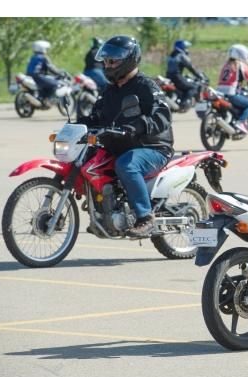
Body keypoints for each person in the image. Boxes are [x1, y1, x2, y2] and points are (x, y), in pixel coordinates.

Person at [77, 35, 174, 238]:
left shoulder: (146, 86)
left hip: (153, 147)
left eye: (113, 60)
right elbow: (96, 118)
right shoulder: (109, 91)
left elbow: (162, 116)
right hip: (120, 146)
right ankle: (105, 213)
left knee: (126, 165)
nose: (108, 65)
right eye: (106, 61)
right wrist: (78, 125)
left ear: (129, 59)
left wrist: (136, 126)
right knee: (87, 160)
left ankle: (145, 217)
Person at [216, 43, 248, 135]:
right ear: (242, 54)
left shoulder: (226, 65)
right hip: (231, 93)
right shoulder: (240, 65)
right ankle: (241, 122)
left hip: (219, 93)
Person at [166, 39, 206, 110]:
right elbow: (191, 67)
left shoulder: (171, 55)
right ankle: (184, 103)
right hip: (177, 77)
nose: (187, 49)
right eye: (186, 48)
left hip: (168, 77)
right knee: (193, 87)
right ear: (182, 47)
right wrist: (199, 76)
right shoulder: (181, 56)